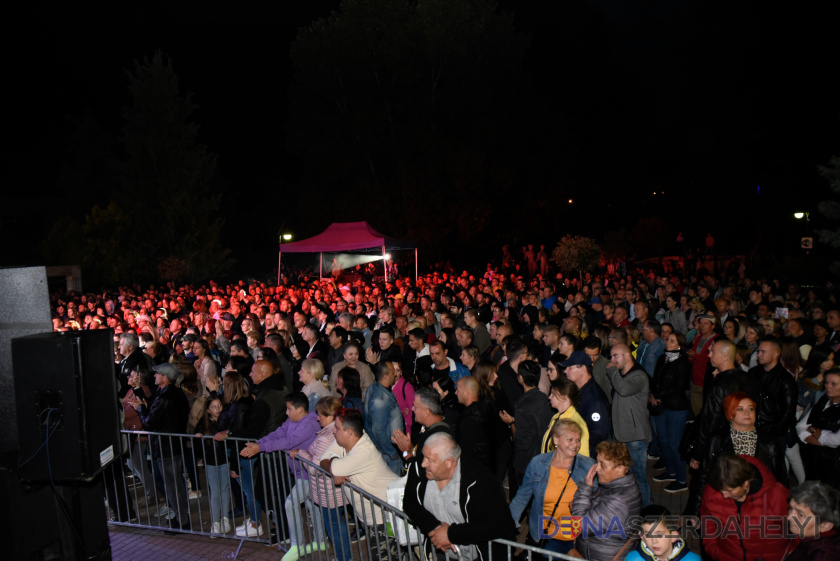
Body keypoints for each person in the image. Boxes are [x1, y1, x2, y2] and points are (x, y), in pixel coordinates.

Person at [403, 432, 516, 561]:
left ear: (449, 463)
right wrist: (435, 528)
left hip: (478, 556)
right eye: (424, 456)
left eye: (430, 460)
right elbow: (410, 503)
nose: (423, 463)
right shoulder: (418, 469)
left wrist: (450, 534)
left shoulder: (478, 479)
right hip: (439, 554)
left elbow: (497, 525)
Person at [509, 419, 595, 556]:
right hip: (547, 536)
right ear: (556, 439)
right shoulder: (538, 464)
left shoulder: (588, 466)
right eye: (570, 439)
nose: (575, 445)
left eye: (578, 440)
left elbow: (600, 500)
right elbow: (522, 497)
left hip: (576, 539)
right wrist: (507, 524)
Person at [130, 363, 191, 531]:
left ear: (165, 377)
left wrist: (141, 409)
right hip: (175, 445)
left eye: (157, 374)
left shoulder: (165, 397)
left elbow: (149, 422)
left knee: (172, 485)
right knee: (176, 483)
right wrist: (138, 391)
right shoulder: (174, 393)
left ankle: (182, 521)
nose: (154, 376)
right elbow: (153, 404)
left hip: (166, 448)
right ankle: (182, 517)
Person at [320, 408, 399, 531]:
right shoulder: (346, 440)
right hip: (370, 516)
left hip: (385, 517)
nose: (334, 432)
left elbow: (333, 467)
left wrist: (334, 461)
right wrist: (335, 465)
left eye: (337, 428)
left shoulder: (363, 451)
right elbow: (322, 460)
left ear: (349, 432)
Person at [700, 455, 791, 561]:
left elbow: (799, 527)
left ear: (745, 483)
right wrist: (713, 549)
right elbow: (707, 522)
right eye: (721, 490)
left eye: (730, 491)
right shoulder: (712, 491)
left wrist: (791, 553)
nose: (724, 496)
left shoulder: (776, 495)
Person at [293, 397, 352, 561]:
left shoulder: (327, 437)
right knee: (338, 526)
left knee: (335, 528)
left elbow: (315, 468)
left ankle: (343, 558)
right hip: (334, 491)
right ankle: (342, 557)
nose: (317, 418)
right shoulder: (331, 432)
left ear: (331, 416)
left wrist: (301, 453)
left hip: (329, 493)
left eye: (320, 415)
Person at [572, 441, 642, 561]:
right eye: (597, 462)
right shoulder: (615, 485)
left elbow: (579, 527)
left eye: (602, 465)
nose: (597, 468)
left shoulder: (619, 501)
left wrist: (585, 489)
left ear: (620, 469)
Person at [606, 344, 652, 506]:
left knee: (639, 479)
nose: (612, 360)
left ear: (627, 355)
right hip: (622, 436)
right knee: (625, 479)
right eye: (611, 357)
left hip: (635, 437)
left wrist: (611, 371)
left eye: (615, 356)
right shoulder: (621, 375)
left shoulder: (638, 375)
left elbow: (624, 389)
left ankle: (646, 515)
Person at [500, 360, 554, 491]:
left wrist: (511, 423)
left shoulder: (522, 405)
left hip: (528, 464)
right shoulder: (544, 398)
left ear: (521, 378)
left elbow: (520, 442)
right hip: (544, 458)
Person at [648, 332, 691, 493]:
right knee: (664, 441)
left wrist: (657, 395)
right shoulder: (662, 358)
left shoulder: (683, 362)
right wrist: (652, 394)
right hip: (661, 405)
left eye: (672, 341)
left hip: (676, 408)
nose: (668, 343)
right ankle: (671, 471)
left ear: (679, 344)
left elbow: (680, 386)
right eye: (668, 340)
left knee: (675, 444)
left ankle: (681, 480)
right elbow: (655, 379)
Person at [797, 368, 840, 487]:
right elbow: (801, 426)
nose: (828, 386)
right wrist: (815, 434)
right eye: (826, 383)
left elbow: (836, 440)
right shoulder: (824, 400)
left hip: (833, 465)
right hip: (813, 459)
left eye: (834, 384)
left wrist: (814, 431)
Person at [196, 397, 232, 536]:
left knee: (225, 488)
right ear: (208, 410)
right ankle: (215, 521)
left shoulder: (226, 420)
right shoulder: (203, 424)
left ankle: (225, 518)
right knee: (215, 491)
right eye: (213, 407)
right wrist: (199, 437)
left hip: (225, 459)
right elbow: (198, 442)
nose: (217, 409)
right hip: (211, 461)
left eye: (219, 406)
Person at [562, 351, 612, 450]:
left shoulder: (595, 398)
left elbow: (599, 433)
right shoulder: (581, 391)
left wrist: (576, 442)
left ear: (582, 369)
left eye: (570, 368)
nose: (565, 371)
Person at [364, 362, 405, 475]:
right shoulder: (379, 400)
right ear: (385, 376)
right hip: (387, 455)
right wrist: (391, 452)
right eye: (393, 372)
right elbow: (378, 430)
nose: (395, 375)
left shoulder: (373, 387)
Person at [785, 480, 840, 561]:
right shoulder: (810, 537)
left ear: (825, 525)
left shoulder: (822, 556)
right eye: (791, 508)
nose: (789, 517)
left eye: (800, 514)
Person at [625, 504, 700, 561]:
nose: (654, 541)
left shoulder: (692, 559)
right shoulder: (633, 559)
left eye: (659, 534)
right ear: (641, 536)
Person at [541, 378, 590, 456]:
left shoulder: (576, 423)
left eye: (553, 394)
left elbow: (583, 455)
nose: (549, 397)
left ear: (564, 397)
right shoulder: (556, 417)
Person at [454, 376, 495, 465]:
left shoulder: (469, 419)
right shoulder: (487, 404)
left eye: (458, 390)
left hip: (476, 466)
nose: (456, 392)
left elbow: (465, 449)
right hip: (490, 462)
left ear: (467, 393)